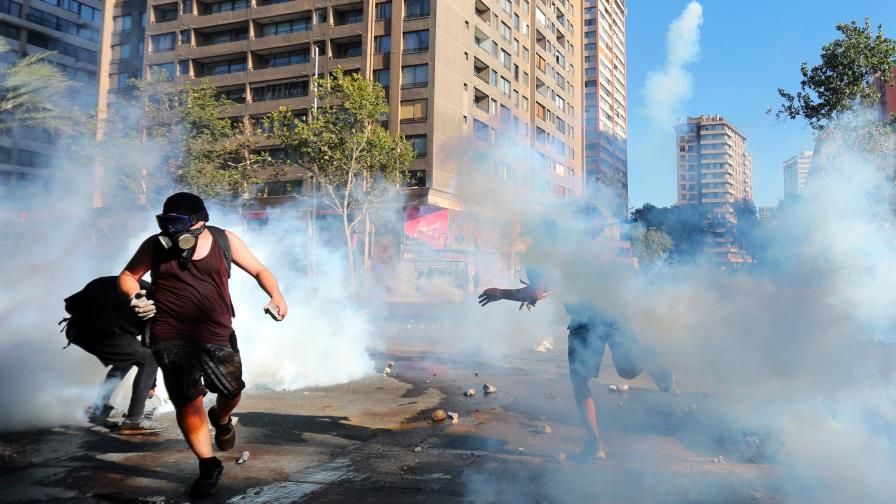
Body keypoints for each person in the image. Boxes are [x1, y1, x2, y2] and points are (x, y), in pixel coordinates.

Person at [118, 192, 288, 499]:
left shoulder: (224, 240)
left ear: (199, 221)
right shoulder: (155, 245)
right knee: (188, 402)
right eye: (165, 222)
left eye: (177, 223)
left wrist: (276, 295)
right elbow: (129, 276)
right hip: (169, 334)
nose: (170, 230)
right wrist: (135, 296)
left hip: (216, 332)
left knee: (231, 390)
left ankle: (221, 418)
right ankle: (208, 465)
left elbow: (260, 270)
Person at [478, 202, 674, 461]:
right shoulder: (578, 245)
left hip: (585, 321)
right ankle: (650, 358)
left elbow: (536, 292)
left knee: (580, 383)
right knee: (627, 370)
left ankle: (595, 446)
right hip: (613, 311)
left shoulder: (540, 254)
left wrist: (500, 293)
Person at [63, 276, 167, 434]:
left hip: (80, 327)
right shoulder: (160, 302)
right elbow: (150, 344)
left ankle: (97, 410)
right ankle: (134, 420)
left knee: (128, 357)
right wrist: (151, 384)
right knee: (149, 359)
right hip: (90, 330)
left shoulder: (142, 286)